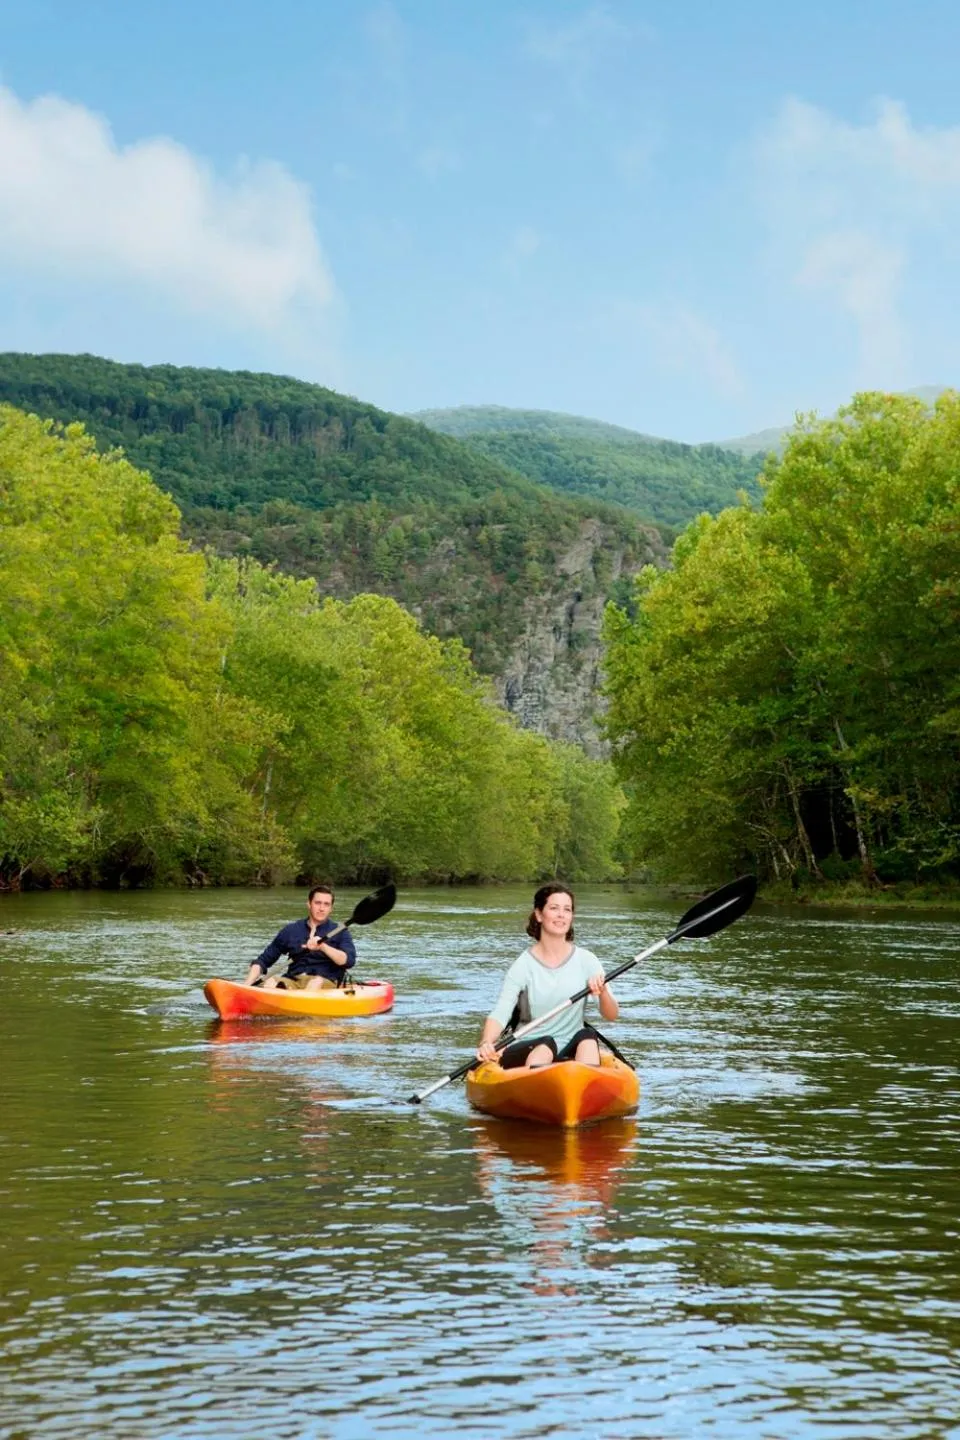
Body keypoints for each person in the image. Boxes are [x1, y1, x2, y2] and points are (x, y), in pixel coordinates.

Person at [476, 883, 619, 1069]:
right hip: (530, 1045)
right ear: (539, 914)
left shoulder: (587, 960)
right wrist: (486, 1041)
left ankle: (585, 1088)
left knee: (588, 1037)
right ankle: (535, 1087)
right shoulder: (523, 965)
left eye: (567, 910)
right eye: (554, 908)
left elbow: (611, 1015)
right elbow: (501, 1013)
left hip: (570, 1048)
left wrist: (603, 993)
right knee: (545, 1045)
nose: (561, 914)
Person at [244, 885, 357, 992]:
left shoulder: (340, 931)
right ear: (309, 904)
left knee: (315, 982)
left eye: (326, 904)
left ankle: (301, 1010)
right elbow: (263, 961)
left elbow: (348, 961)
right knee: (270, 981)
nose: (322, 908)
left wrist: (323, 947)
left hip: (324, 982)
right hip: (293, 980)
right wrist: (246, 986)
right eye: (317, 903)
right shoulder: (291, 930)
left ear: (331, 908)